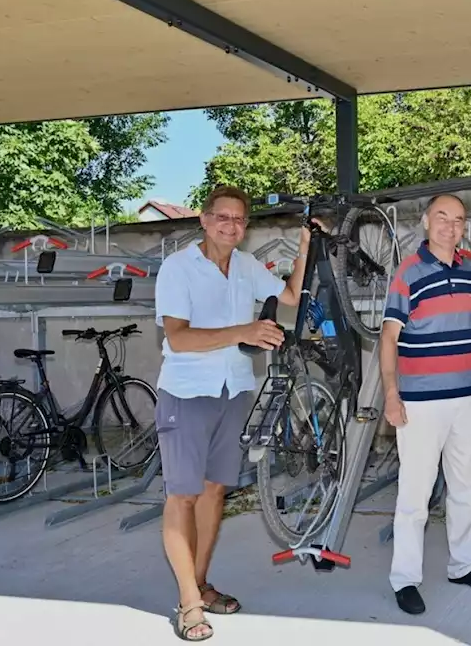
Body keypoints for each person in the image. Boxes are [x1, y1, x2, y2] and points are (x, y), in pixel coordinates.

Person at [153, 184, 318, 642]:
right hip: (187, 393)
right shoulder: (177, 268)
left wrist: (305, 248)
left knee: (213, 493)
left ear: (246, 228)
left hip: (232, 391)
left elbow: (289, 295)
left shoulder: (246, 266)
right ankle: (188, 604)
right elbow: (180, 338)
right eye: (222, 217)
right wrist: (243, 330)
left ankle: (200, 584)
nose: (231, 225)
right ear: (204, 221)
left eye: (239, 219)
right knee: (181, 496)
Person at [379, 194, 471, 615]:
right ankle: (405, 579)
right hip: (420, 403)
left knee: (466, 489)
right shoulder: (408, 274)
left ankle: (464, 566)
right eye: (442, 217)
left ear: (464, 226)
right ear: (426, 221)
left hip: (466, 398)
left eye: (458, 220)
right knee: (415, 495)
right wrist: (391, 394)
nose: (450, 226)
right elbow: (388, 338)